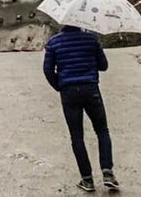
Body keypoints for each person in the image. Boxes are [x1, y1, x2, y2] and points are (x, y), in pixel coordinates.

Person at [43, 25, 119, 192]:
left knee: (77, 136)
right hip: (91, 89)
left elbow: (48, 70)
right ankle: (108, 173)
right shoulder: (91, 39)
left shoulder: (53, 43)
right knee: (102, 130)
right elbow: (104, 65)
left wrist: (60, 86)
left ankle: (87, 180)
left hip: (69, 92)